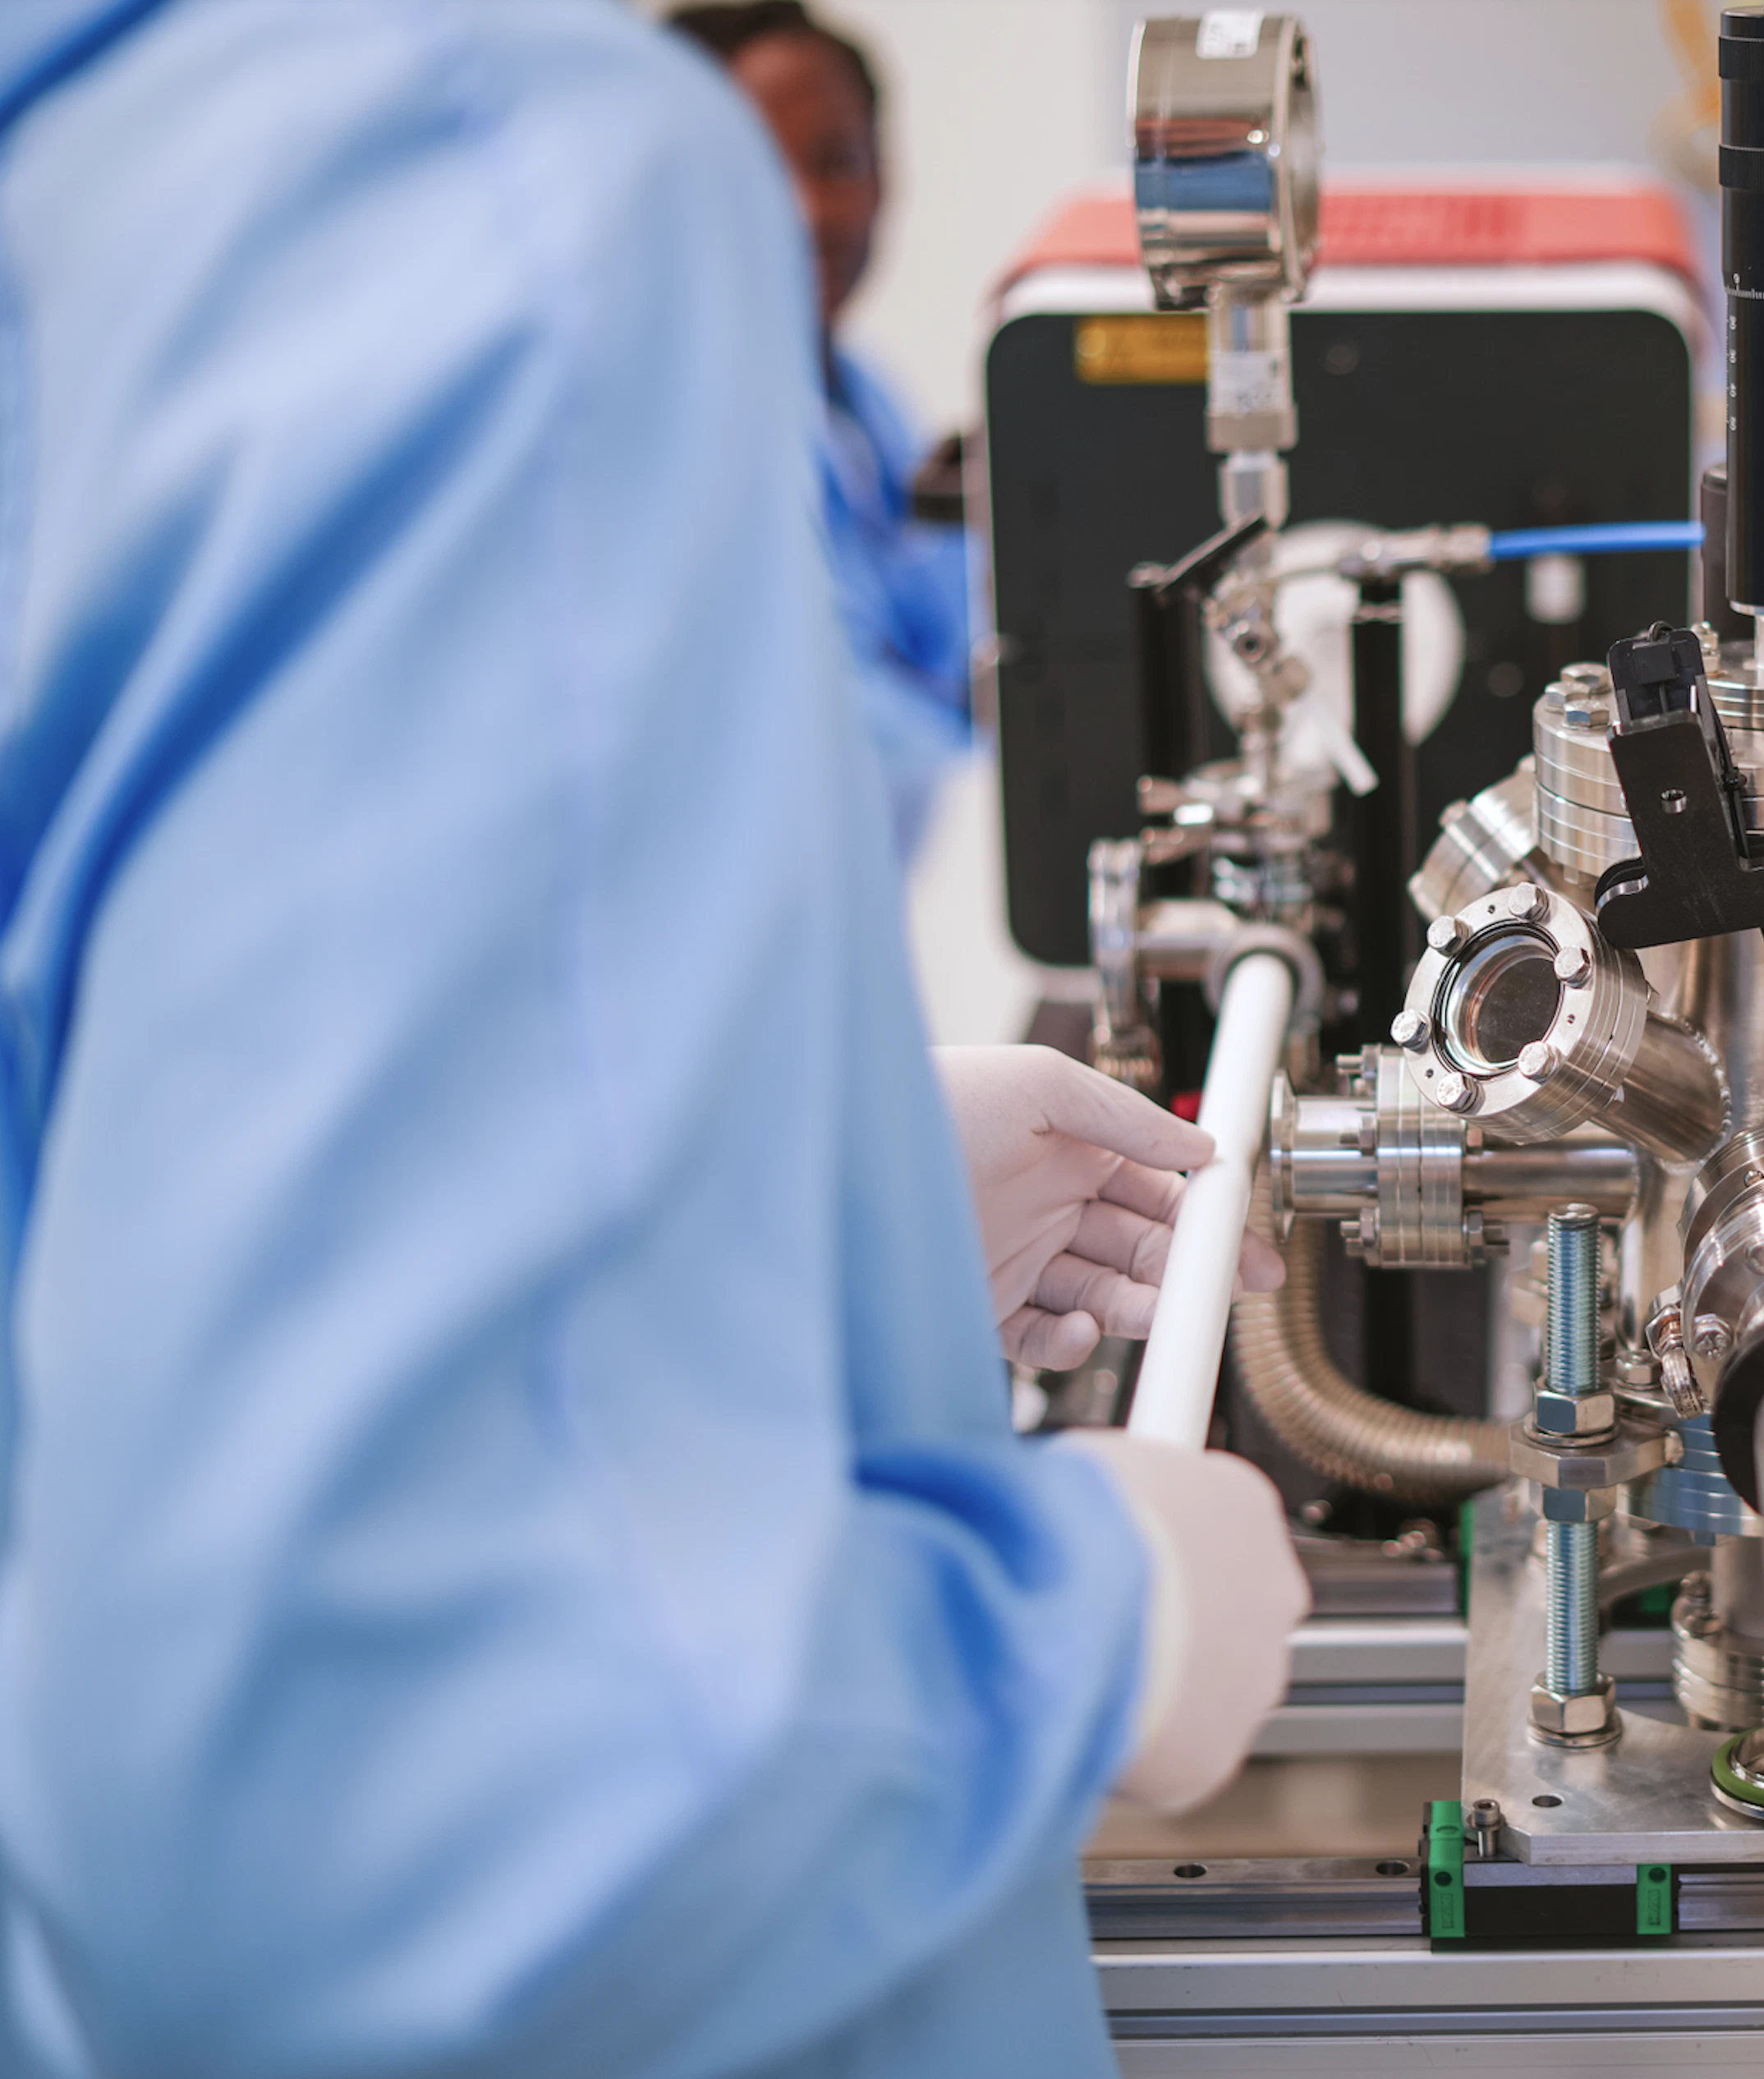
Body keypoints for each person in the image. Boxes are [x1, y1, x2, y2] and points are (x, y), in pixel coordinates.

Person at [0, 3, 1300, 2073]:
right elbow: (377, 1822)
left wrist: (804, 1219)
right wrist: (1092, 1627)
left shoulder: (90, 188)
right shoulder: (473, 191)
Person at [668, 0, 975, 863]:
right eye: (756, 165)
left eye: (837, 162)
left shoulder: (868, 399)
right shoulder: (663, 427)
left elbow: (963, 642)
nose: (807, 210)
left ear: (888, 177)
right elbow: (817, 724)